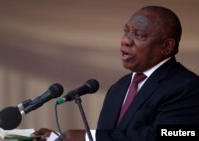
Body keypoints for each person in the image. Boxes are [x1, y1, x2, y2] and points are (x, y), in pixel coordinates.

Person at [31, 5, 199, 141]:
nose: (125, 40)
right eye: (126, 31)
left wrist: (90, 138)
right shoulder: (119, 87)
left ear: (166, 47)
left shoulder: (187, 87)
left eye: (138, 34)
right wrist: (58, 139)